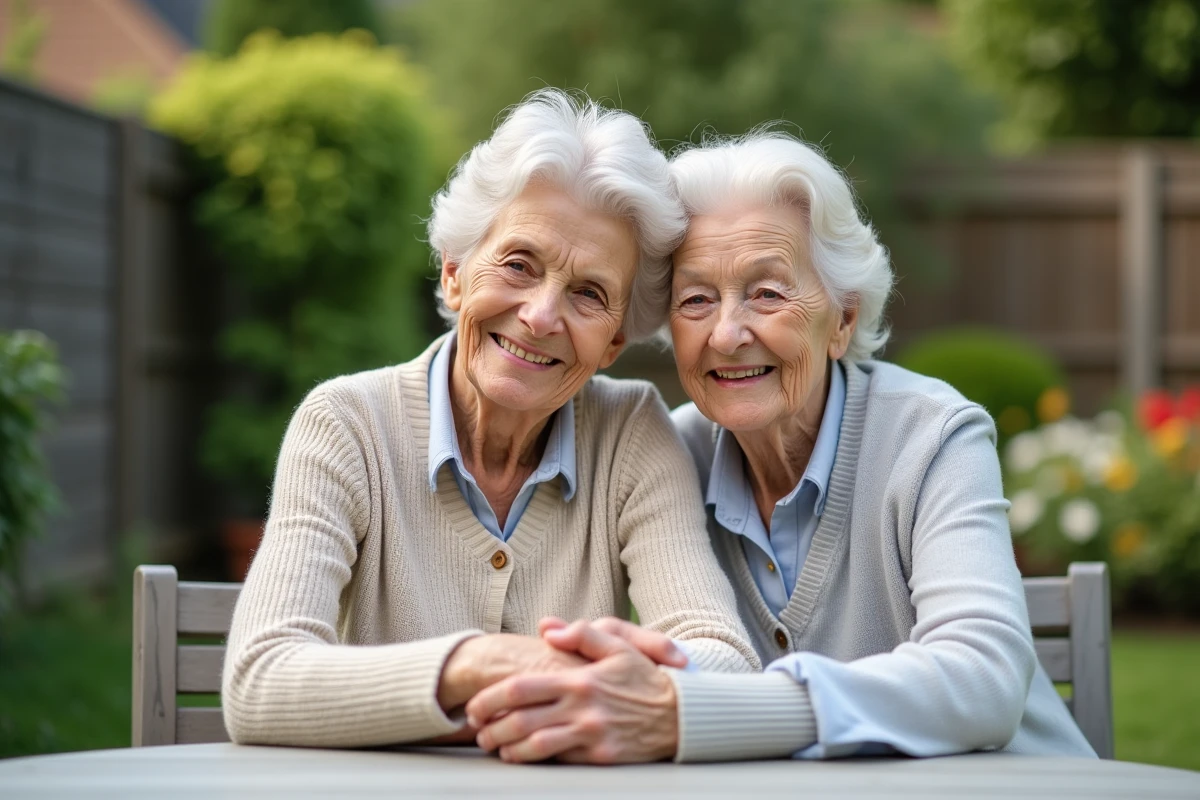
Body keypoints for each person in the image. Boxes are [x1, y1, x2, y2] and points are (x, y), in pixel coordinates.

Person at [466, 131, 1097, 762]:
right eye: (696, 300)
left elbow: (983, 677)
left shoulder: (930, 437)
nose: (728, 333)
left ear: (843, 319)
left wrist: (711, 712)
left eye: (767, 294)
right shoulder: (667, 454)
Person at [221, 91, 759, 750]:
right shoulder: (347, 424)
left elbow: (725, 661)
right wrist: (482, 664)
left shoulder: (632, 432)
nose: (540, 315)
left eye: (589, 294)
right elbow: (258, 681)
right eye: (517, 264)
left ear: (613, 345)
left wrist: (631, 684)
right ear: (453, 274)